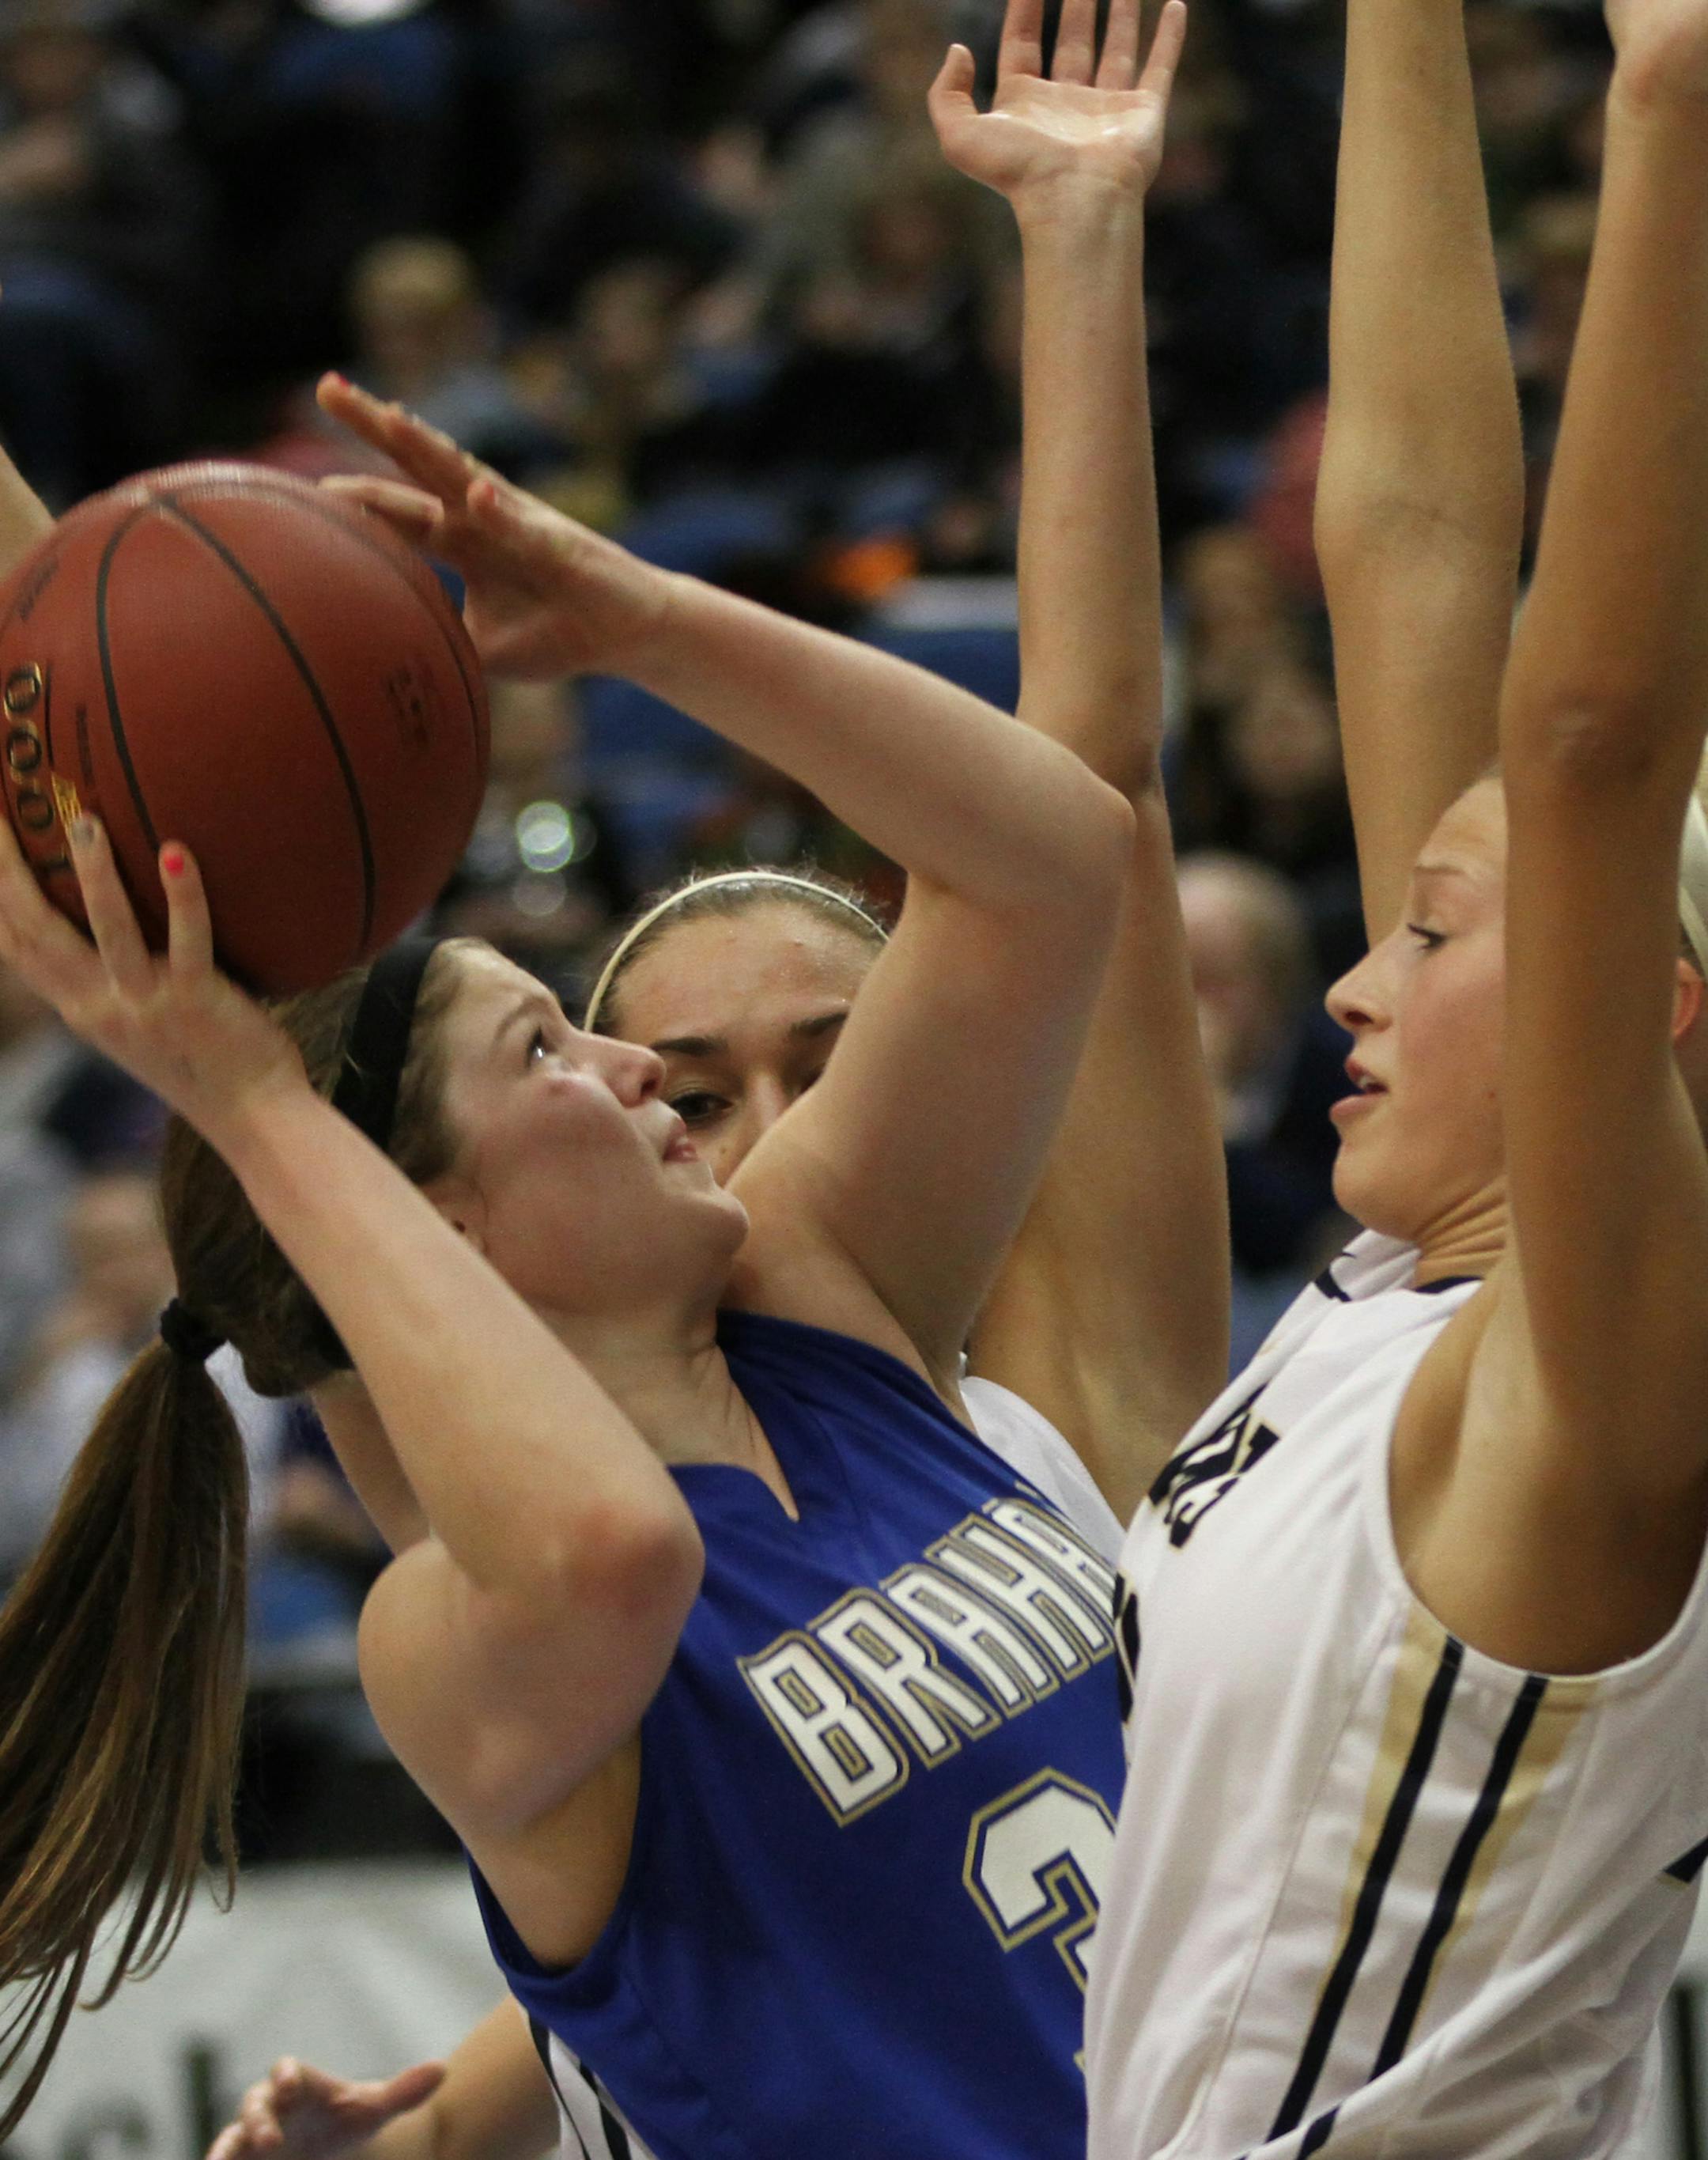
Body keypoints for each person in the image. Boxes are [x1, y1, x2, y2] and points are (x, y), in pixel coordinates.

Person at [205, 0, 1229, 2143]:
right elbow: (150, 748)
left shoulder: (852, 1314)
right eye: (598, 1043)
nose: (683, 1094)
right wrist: (218, 1070)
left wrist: (653, 615)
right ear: (437, 1215)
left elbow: (1067, 826)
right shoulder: (473, 1558)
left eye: (829, 1059)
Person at [1083, 0, 1708, 2154]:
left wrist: (1668, 106)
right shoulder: (1397, 1299)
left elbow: (1598, 738)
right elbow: (1417, 533)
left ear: (1644, 1014)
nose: (1358, 974)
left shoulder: (1591, 1386)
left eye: (1432, 935)